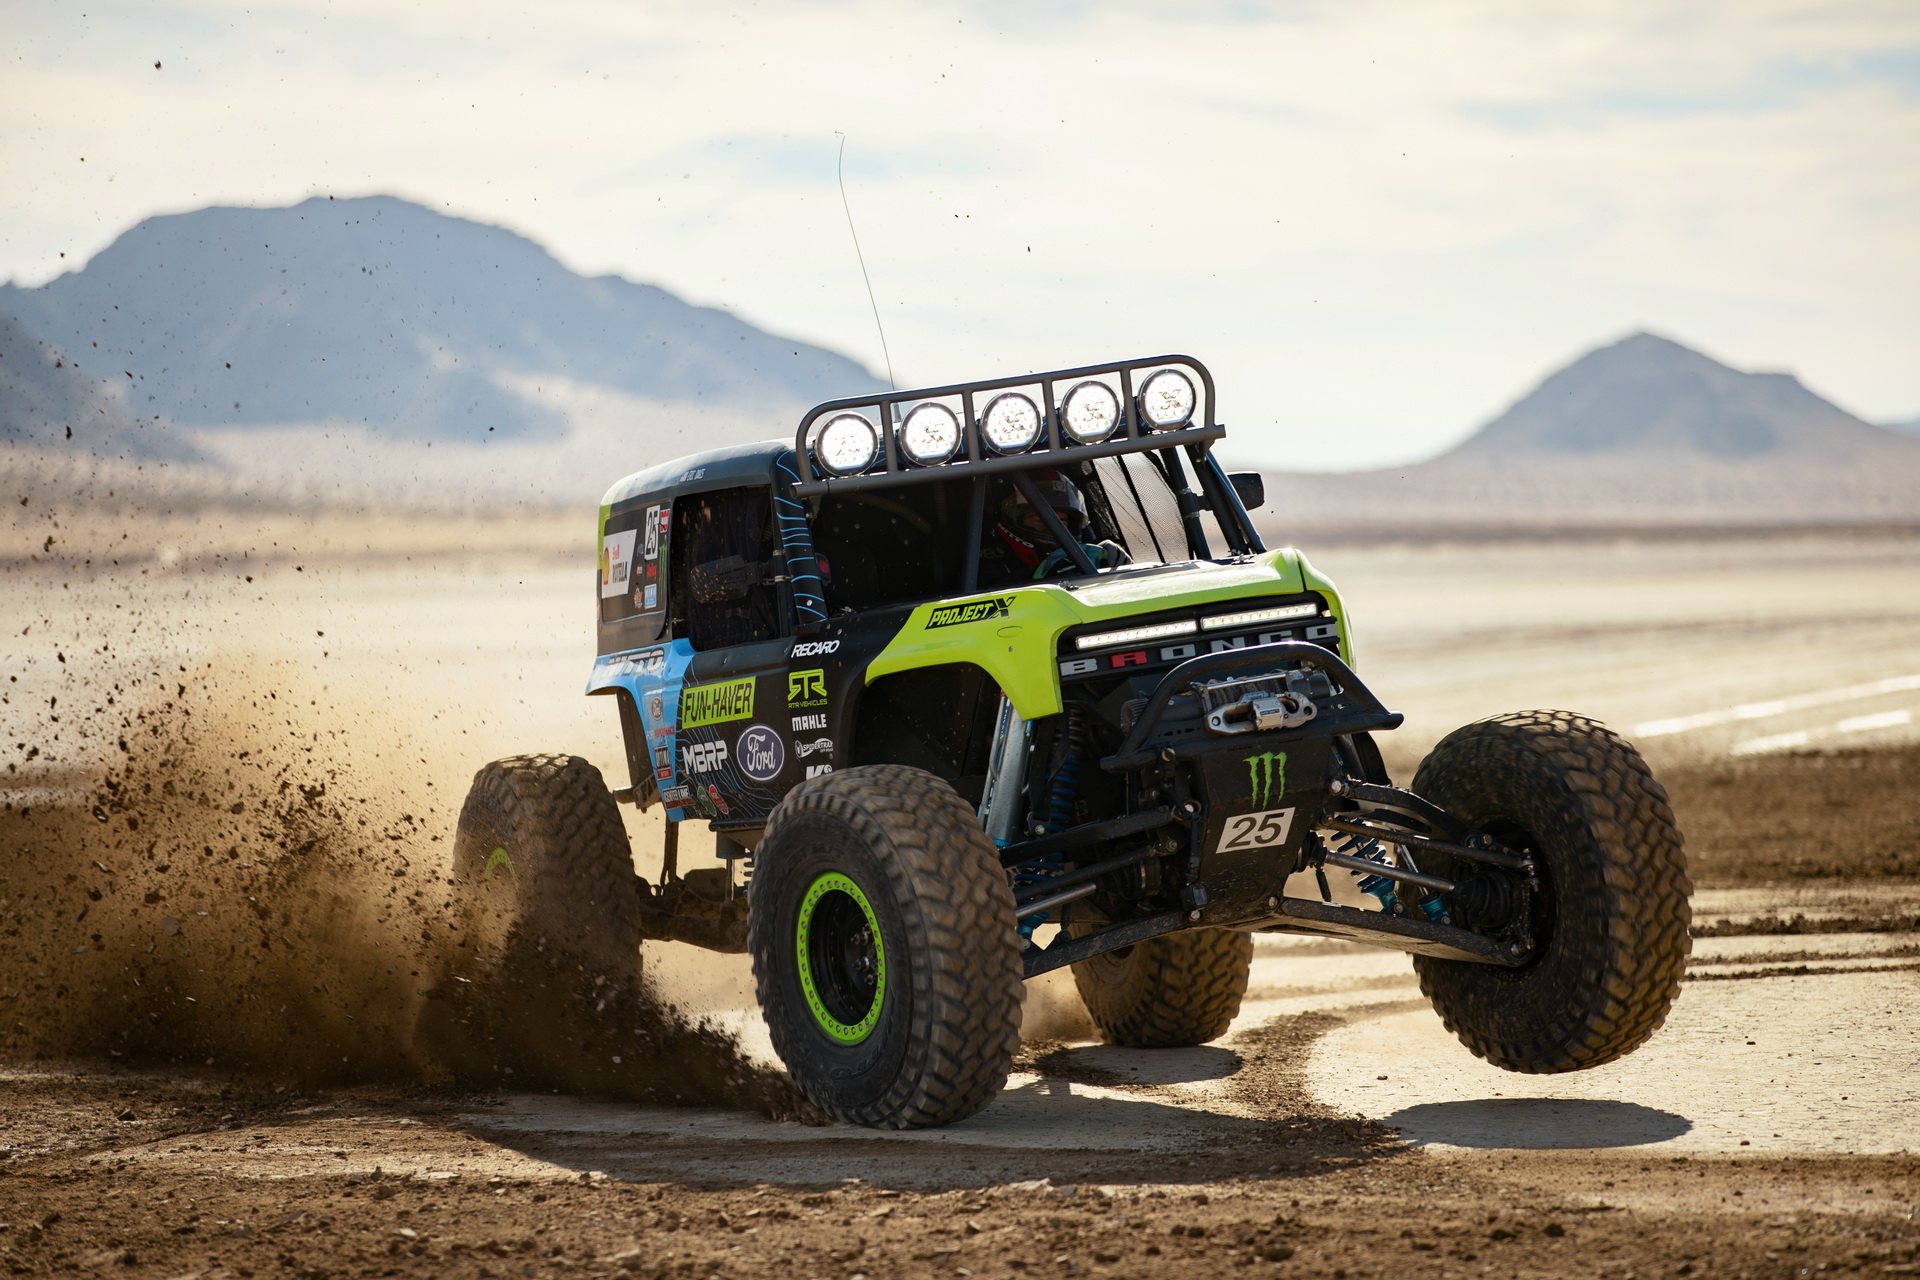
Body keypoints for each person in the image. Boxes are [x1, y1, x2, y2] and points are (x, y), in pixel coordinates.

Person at [977, 471, 1130, 586]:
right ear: (1011, 521)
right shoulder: (986, 569)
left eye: (1062, 520)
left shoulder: (1090, 557)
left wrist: (1116, 567)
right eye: (1039, 519)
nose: (1053, 528)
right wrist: (1048, 575)